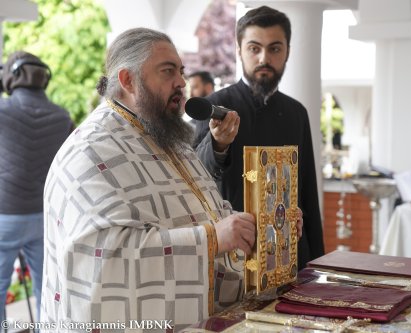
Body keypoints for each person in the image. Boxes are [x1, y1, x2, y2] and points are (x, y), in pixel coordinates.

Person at [40, 28, 264, 331]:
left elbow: (209, 212)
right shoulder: (90, 151)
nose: (181, 82)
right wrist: (212, 238)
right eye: (168, 71)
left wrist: (260, 225)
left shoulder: (168, 139)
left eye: (181, 71)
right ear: (127, 80)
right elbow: (103, 257)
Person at [193, 6, 324, 270]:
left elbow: (307, 192)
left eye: (275, 48)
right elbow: (195, 175)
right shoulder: (215, 106)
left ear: (287, 51)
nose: (264, 58)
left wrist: (315, 265)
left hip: (288, 257)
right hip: (231, 260)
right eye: (254, 48)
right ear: (239, 50)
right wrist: (219, 144)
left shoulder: (296, 112)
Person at [0, 51, 73, 323]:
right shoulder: (61, 116)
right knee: (47, 286)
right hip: (45, 217)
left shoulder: (3, 111)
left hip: (5, 215)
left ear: (14, 76)